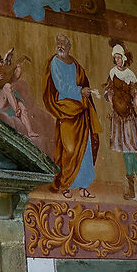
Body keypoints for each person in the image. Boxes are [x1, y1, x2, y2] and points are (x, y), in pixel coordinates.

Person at [43, 32, 98, 190]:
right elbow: (60, 86)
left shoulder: (75, 64)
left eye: (63, 43)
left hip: (81, 108)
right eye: (58, 43)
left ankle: (82, 185)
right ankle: (66, 184)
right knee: (69, 147)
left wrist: (85, 92)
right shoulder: (55, 62)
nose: (60, 46)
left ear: (69, 46)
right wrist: (79, 91)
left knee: (85, 146)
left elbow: (83, 80)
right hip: (66, 108)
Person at [98, 39, 137, 202]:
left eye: (119, 57)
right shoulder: (112, 72)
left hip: (128, 118)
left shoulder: (130, 75)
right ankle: (134, 189)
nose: (117, 60)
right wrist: (112, 106)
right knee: (126, 154)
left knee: (130, 152)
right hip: (118, 119)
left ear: (124, 58)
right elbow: (109, 92)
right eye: (115, 58)